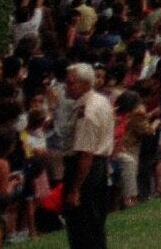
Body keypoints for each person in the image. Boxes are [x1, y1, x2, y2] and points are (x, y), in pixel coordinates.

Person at [64, 63, 114, 249]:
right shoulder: (102, 101)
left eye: (71, 83)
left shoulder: (87, 111)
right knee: (95, 224)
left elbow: (85, 154)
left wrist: (75, 189)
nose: (66, 86)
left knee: (82, 227)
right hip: (99, 167)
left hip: (85, 169)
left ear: (85, 84)